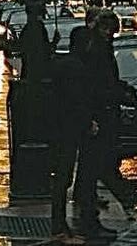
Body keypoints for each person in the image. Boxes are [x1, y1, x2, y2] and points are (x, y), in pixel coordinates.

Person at [74, 10, 137, 238]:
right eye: (109, 30)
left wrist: (122, 90)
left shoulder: (96, 48)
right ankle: (91, 219)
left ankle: (89, 213)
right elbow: (99, 85)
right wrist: (119, 94)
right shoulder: (97, 51)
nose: (111, 34)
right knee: (96, 164)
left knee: (91, 166)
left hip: (99, 112)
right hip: (99, 114)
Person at [49, 48, 97, 243]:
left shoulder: (65, 69)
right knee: (62, 178)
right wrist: (87, 123)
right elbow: (76, 103)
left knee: (62, 178)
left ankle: (60, 226)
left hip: (60, 131)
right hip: (67, 133)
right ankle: (58, 227)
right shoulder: (75, 71)